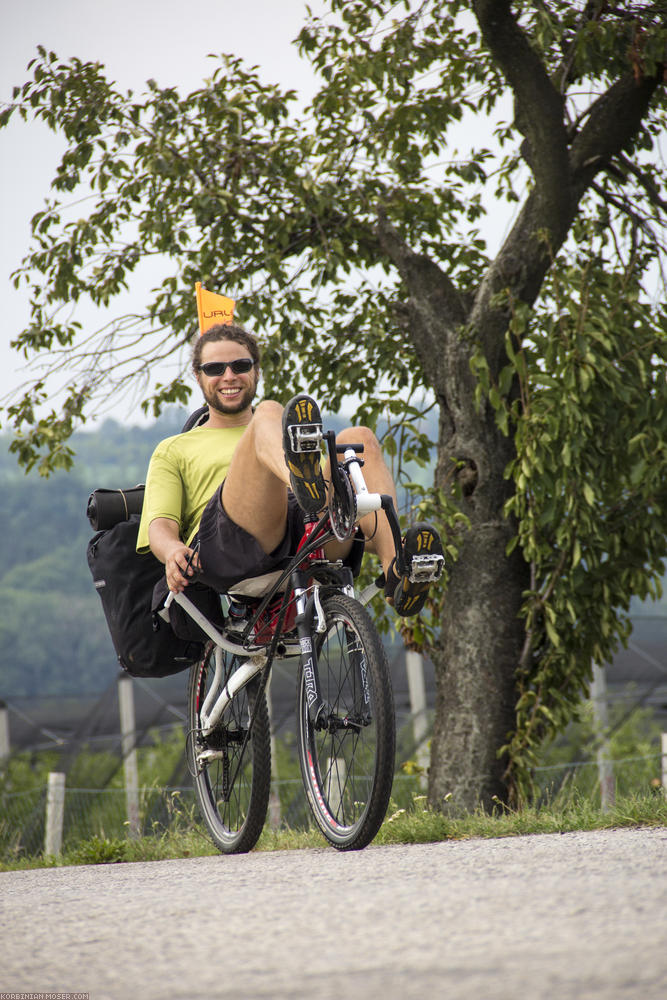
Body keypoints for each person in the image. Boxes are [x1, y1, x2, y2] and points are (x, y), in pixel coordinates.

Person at [137, 322, 443, 617]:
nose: (229, 376)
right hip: (231, 547)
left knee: (357, 440)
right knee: (269, 413)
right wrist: (173, 552)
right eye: (215, 369)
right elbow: (159, 526)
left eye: (240, 366)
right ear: (198, 375)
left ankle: (397, 571)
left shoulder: (277, 433)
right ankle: (301, 482)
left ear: (256, 370)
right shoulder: (173, 449)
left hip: (303, 528)